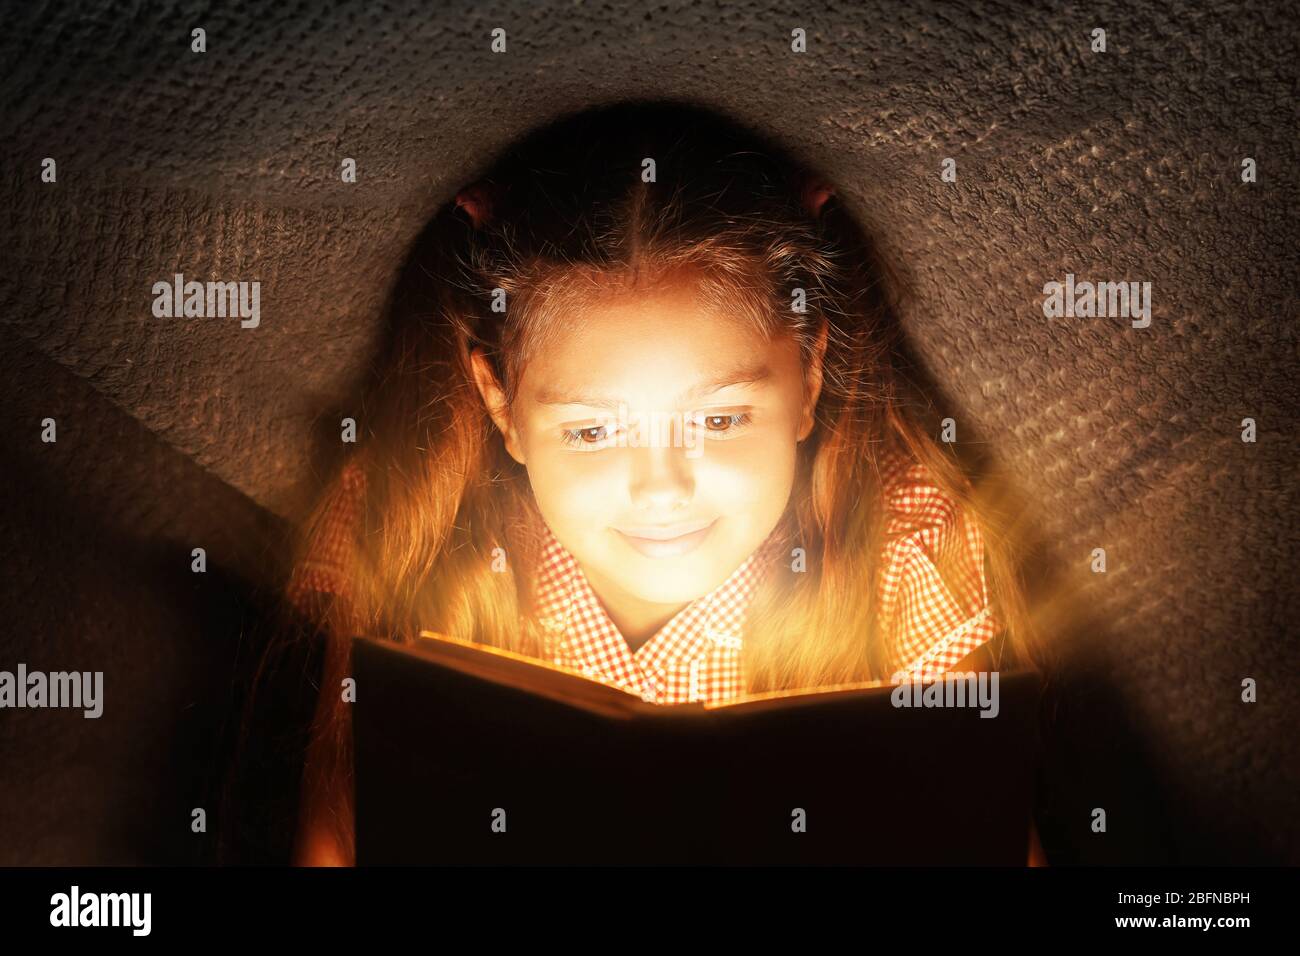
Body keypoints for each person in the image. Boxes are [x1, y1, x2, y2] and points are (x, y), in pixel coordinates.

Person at [279, 102, 1043, 867]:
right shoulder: (416, 516)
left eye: (718, 422)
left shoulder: (904, 549)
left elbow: (986, 841)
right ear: (503, 406)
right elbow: (337, 832)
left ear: (808, 379)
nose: (661, 488)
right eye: (592, 431)